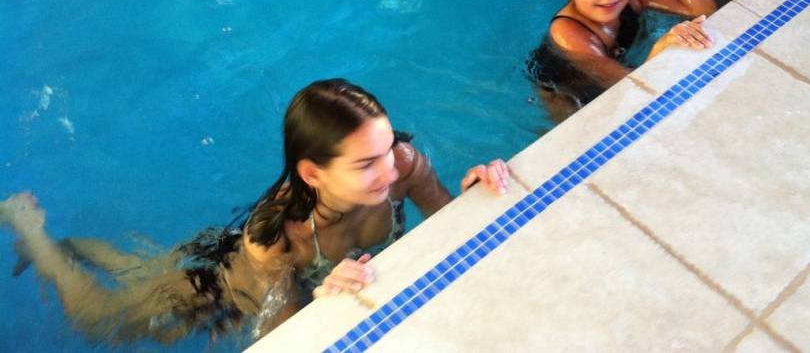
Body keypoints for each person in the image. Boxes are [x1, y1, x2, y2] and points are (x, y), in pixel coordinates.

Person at [0, 78, 508, 344]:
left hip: (271, 268)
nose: (389, 169)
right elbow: (281, 335)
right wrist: (322, 298)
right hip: (228, 287)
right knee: (102, 320)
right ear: (312, 173)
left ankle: (74, 246)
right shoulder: (279, 238)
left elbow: (451, 226)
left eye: (387, 148)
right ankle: (33, 230)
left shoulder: (403, 164)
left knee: (141, 269)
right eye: (366, 164)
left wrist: (476, 193)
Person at [527, 0, 717, 122]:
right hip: (567, 91)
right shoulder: (568, 33)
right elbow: (637, 88)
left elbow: (704, 9)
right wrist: (660, 47)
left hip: (615, 70)